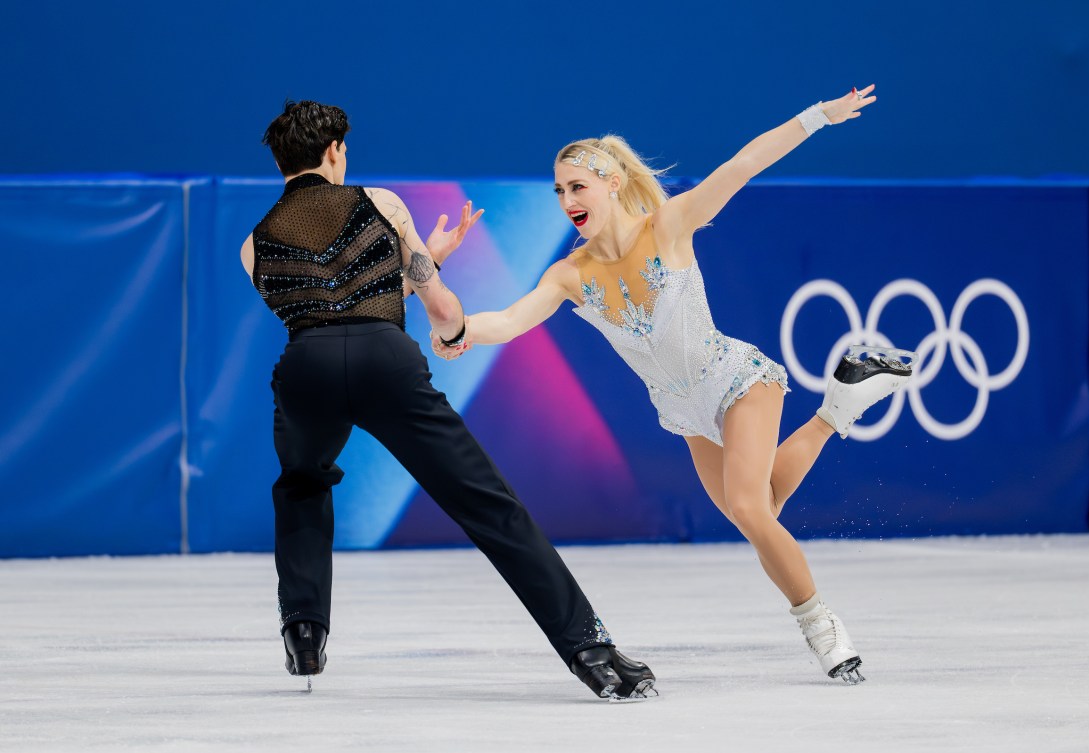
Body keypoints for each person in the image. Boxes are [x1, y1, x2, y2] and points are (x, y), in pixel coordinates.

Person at [434, 85, 917, 685]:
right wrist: (458, 327)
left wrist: (818, 116)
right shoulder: (569, 275)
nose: (566, 200)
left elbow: (743, 164)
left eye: (577, 186)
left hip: (737, 382)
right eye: (558, 190)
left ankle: (823, 630)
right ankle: (838, 407)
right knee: (762, 507)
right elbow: (509, 320)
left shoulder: (667, 225)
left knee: (750, 510)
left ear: (612, 182)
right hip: (685, 414)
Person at [239, 100, 656, 700]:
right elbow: (432, 308)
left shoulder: (253, 245)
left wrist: (424, 260)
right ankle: (589, 649)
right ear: (333, 152)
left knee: (302, 483)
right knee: (489, 504)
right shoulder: (381, 204)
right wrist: (454, 326)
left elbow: (330, 303)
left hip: (306, 371)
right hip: (387, 363)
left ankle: (304, 631)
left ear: (281, 162)